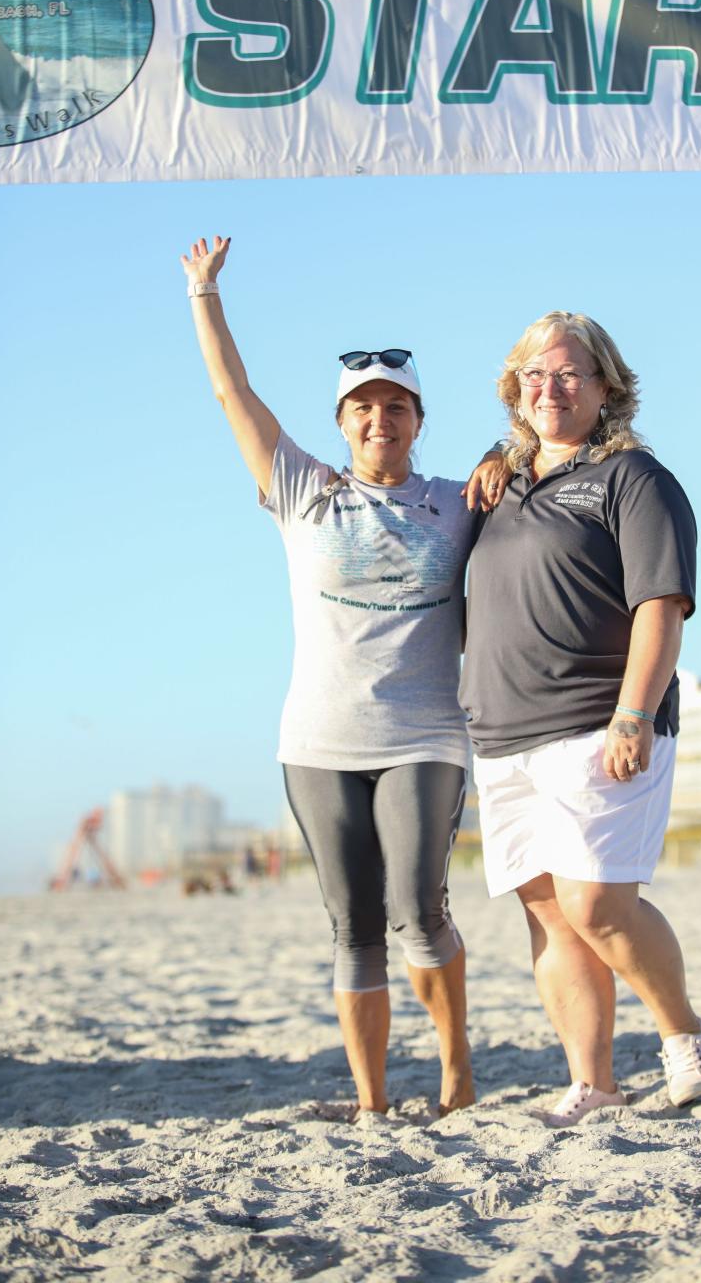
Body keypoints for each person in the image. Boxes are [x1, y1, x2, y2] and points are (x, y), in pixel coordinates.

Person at [180, 234, 506, 1116]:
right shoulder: (303, 491)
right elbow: (231, 395)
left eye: (395, 408)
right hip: (318, 742)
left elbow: (532, 480)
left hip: (425, 736)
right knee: (353, 923)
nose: (378, 422)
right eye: (362, 409)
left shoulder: (455, 501)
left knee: (417, 905)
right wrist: (204, 294)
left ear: (417, 419)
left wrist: (503, 454)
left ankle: (454, 1063)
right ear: (341, 424)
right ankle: (370, 1101)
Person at [459, 310, 701, 1125]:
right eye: (535, 374)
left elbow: (661, 606)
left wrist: (634, 713)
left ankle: (685, 1036)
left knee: (597, 905)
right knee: (547, 910)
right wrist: (495, 460)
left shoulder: (633, 479)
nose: (552, 388)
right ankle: (593, 1082)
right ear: (515, 389)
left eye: (571, 373)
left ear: (607, 385)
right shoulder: (499, 486)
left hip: (595, 719)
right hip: (503, 732)